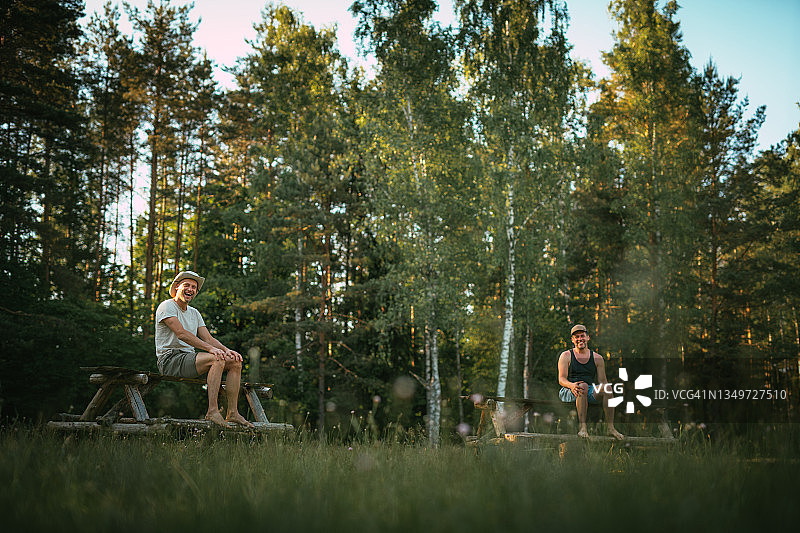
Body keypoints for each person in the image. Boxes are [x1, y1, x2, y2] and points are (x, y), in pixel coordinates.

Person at [155, 270, 253, 428]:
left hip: (189, 359)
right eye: (187, 285)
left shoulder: (194, 313)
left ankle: (232, 413)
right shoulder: (167, 306)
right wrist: (211, 350)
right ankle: (212, 411)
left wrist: (227, 350)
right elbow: (181, 334)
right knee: (216, 358)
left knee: (235, 362)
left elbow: (208, 338)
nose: (191, 289)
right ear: (177, 287)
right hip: (170, 360)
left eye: (194, 287)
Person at [557, 324, 624, 440]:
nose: (580, 339)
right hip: (569, 390)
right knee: (582, 386)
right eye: (576, 337)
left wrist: (606, 392)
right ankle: (582, 428)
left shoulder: (597, 358)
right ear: (572, 340)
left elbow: (603, 382)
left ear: (588, 337)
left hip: (588, 391)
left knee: (607, 388)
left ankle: (610, 428)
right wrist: (572, 385)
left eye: (582, 336)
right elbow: (561, 379)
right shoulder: (566, 355)